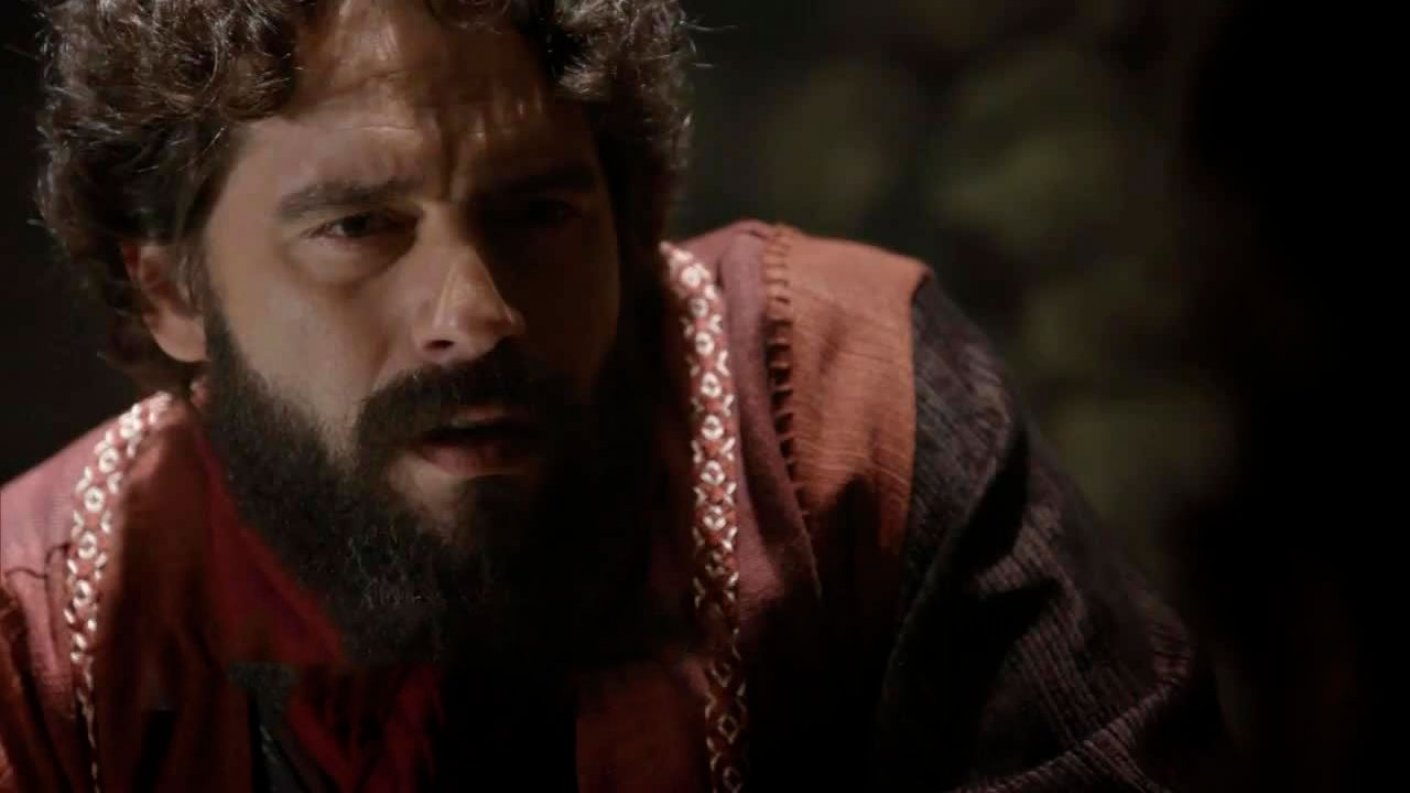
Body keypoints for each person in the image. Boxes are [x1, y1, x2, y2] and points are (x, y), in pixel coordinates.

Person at [1, 1, 1224, 790]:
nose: (476, 312)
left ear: (629, 223)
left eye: (539, 211)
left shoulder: (852, 417)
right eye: (358, 226)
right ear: (171, 290)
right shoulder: (43, 636)